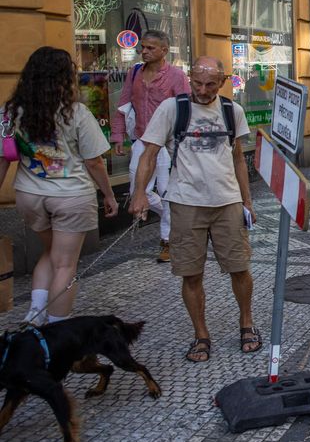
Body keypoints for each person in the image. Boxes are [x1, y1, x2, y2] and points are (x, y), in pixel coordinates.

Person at [129, 57, 258, 363]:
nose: (202, 90)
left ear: (223, 81)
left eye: (210, 84)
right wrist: (139, 193)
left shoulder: (232, 111)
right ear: (190, 78)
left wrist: (247, 201)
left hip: (227, 201)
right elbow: (150, 154)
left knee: (240, 267)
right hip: (186, 202)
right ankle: (201, 335)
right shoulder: (173, 108)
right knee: (190, 273)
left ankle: (246, 323)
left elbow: (238, 158)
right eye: (197, 83)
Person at [0, 47, 118, 324]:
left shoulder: (9, 112)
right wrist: (109, 195)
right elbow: (94, 163)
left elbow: (4, 159)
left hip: (30, 195)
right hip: (70, 197)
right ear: (66, 77)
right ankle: (57, 325)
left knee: (50, 253)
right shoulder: (76, 113)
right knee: (65, 264)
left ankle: (34, 313)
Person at [109, 30, 188, 263]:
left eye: (150, 48)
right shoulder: (134, 72)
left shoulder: (176, 75)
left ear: (164, 51)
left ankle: (167, 242)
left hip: (167, 144)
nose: (144, 51)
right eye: (142, 47)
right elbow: (123, 104)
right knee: (138, 192)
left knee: (165, 189)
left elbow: (186, 110)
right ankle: (177, 217)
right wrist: (117, 135)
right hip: (142, 141)